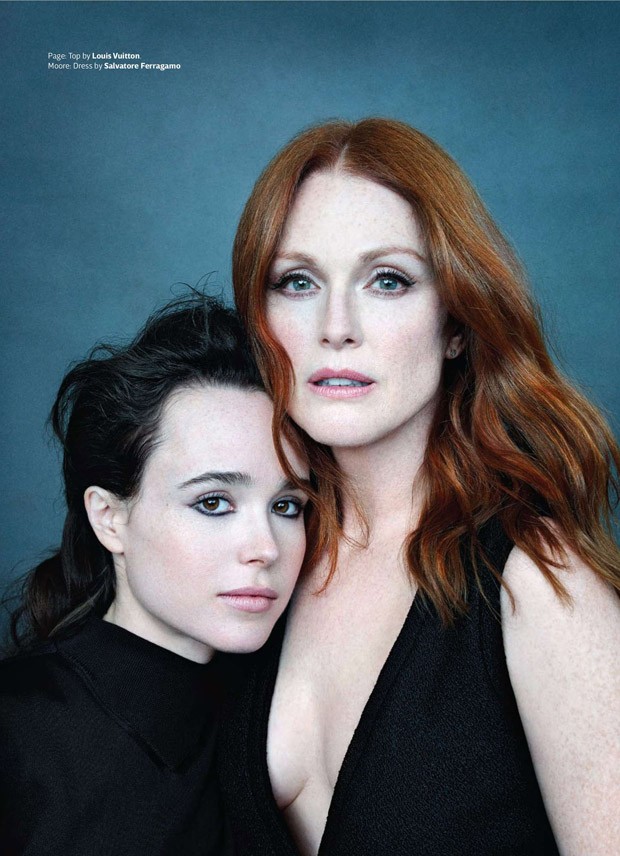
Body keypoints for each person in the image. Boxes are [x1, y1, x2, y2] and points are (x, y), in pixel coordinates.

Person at [218, 119, 620, 855]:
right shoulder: (255, 557)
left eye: (388, 280)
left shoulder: (538, 582)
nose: (337, 327)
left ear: (457, 323)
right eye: (297, 282)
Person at [0, 293, 310, 855]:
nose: (265, 548)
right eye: (213, 502)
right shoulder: (20, 732)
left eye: (287, 506)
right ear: (110, 518)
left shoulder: (281, 712)